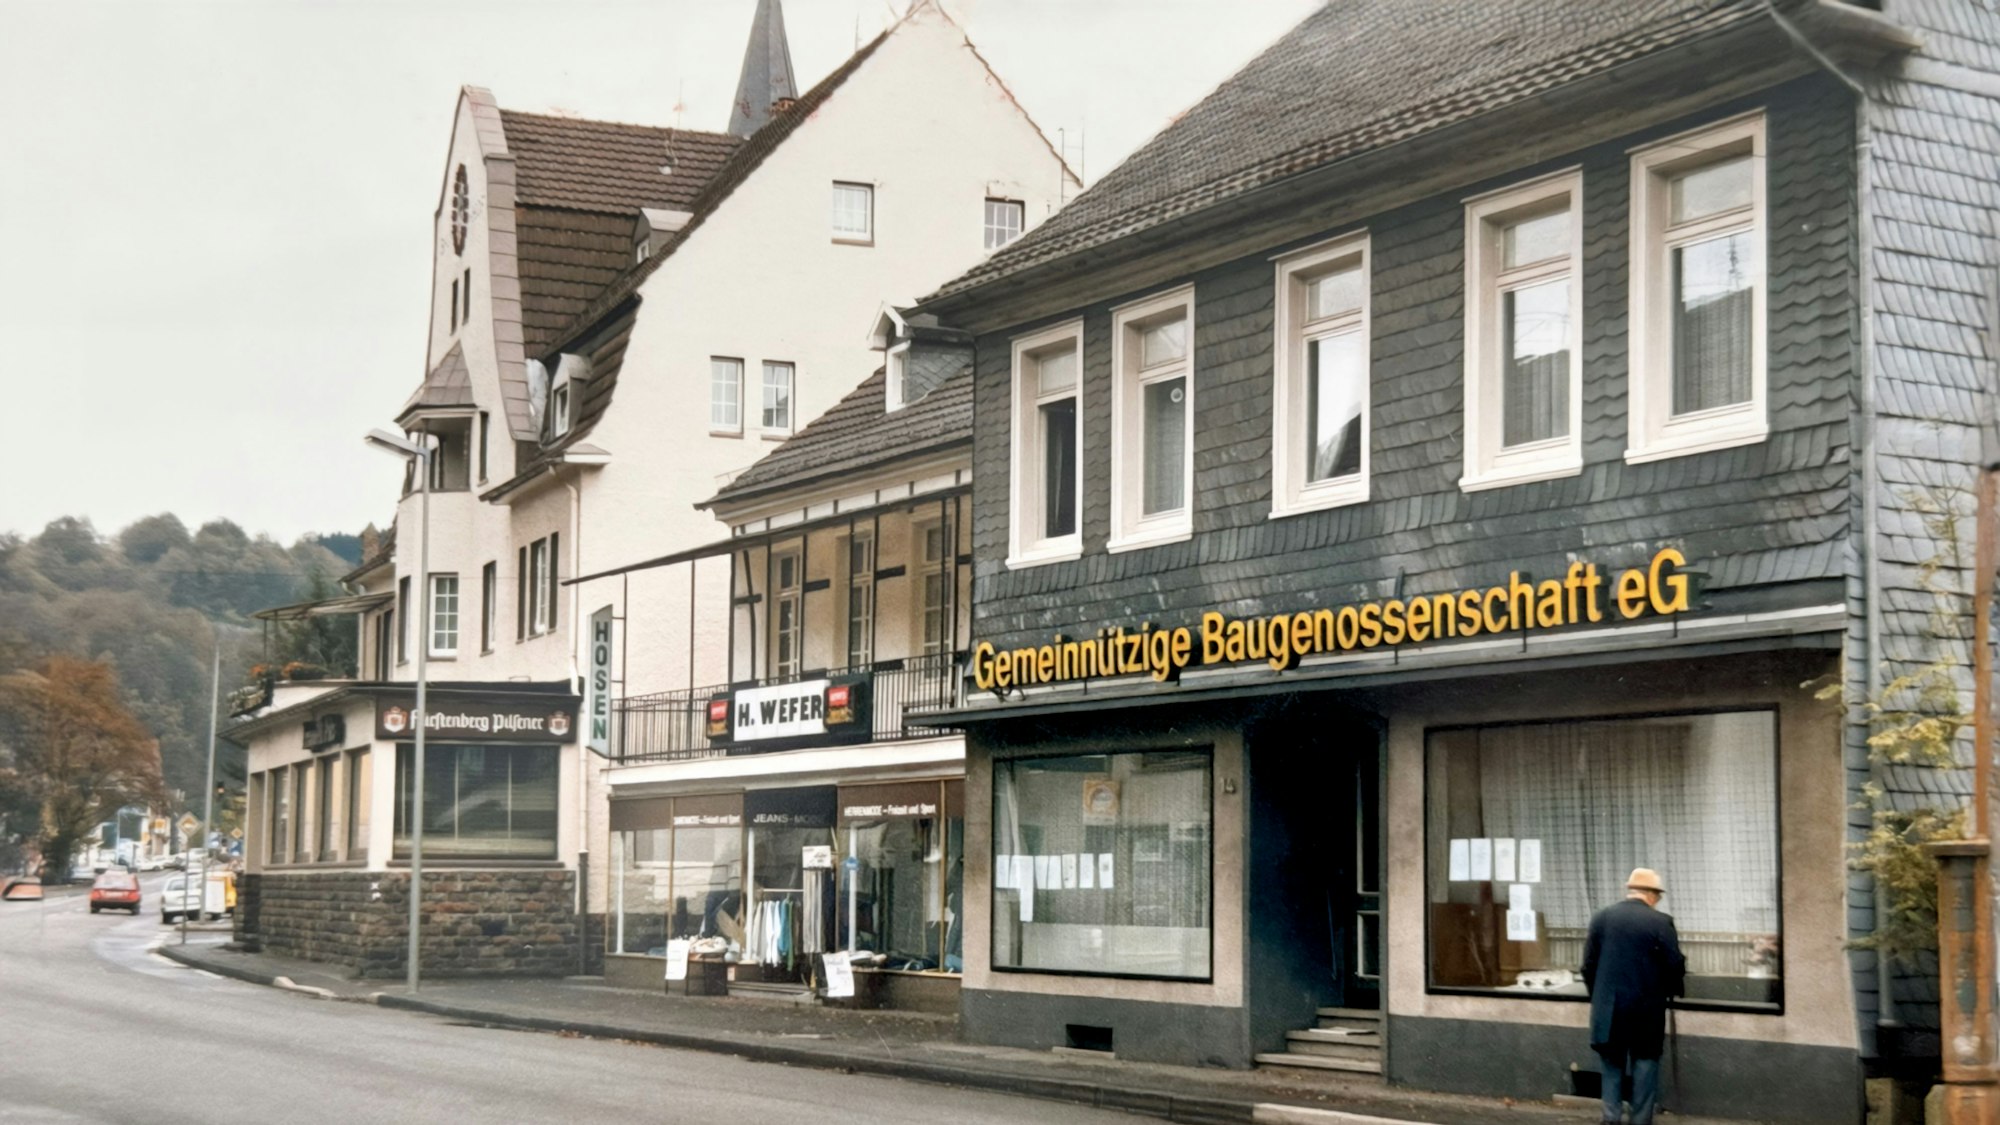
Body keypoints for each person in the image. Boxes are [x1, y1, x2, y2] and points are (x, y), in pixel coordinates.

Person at [1581, 867, 1686, 1125]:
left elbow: (1587, 966)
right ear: (1650, 894)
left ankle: (1611, 1119)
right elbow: (1674, 964)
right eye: (1657, 895)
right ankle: (1640, 1121)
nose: (1658, 901)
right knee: (1644, 1068)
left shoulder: (1601, 918)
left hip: (1609, 1010)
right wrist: (1672, 988)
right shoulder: (1660, 922)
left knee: (1612, 1068)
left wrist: (1600, 996)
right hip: (1646, 1011)